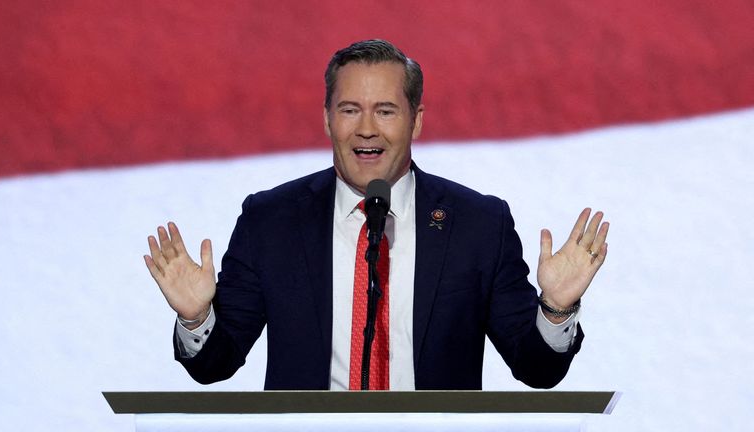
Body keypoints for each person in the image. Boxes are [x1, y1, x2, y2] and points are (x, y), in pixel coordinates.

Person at [144, 39, 609, 390]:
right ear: (328, 119)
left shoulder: (478, 225)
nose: (366, 129)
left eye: (386, 111)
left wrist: (556, 309)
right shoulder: (271, 221)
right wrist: (196, 318)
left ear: (416, 121)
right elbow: (215, 364)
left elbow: (537, 369)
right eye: (350, 110)